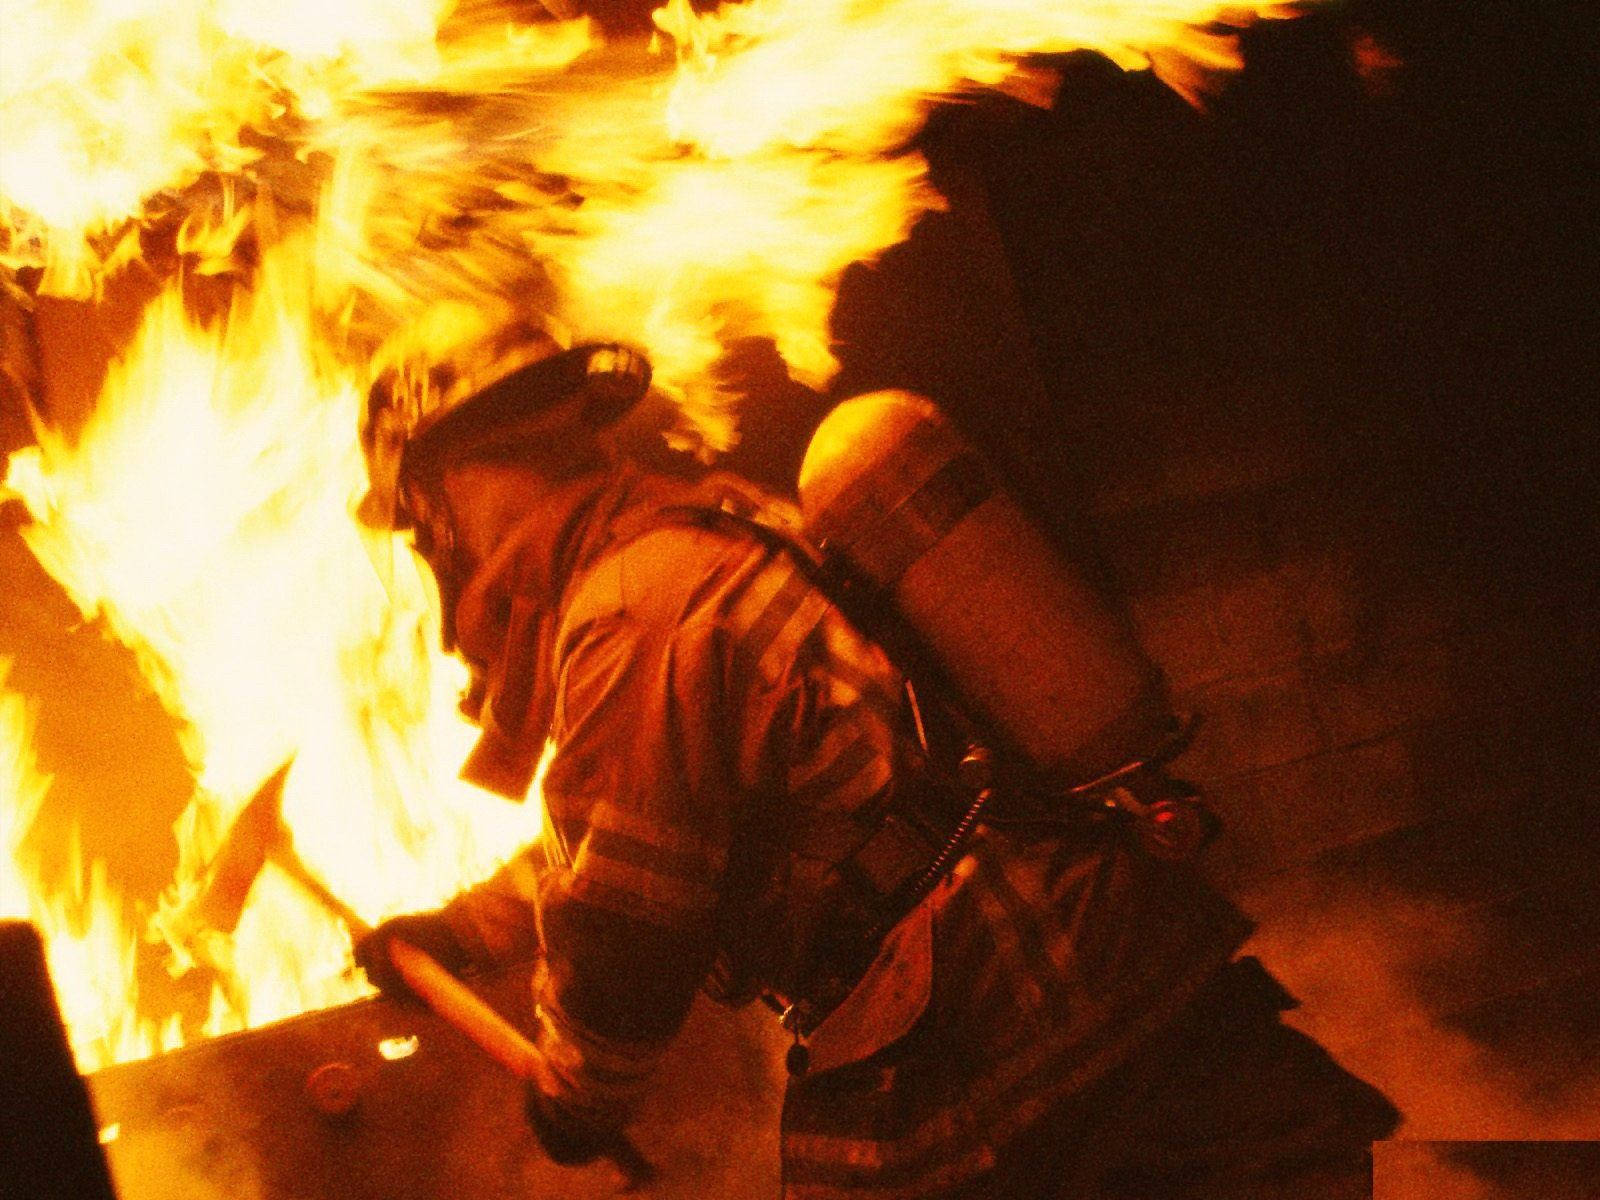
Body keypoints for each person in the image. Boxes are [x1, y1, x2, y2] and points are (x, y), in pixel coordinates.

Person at [354, 334, 1400, 1198]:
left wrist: (575, 1097)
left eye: (419, 522)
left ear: (452, 483)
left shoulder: (629, 617)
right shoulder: (698, 538)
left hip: (1003, 1030)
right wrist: (460, 930)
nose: (430, 552)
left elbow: (627, 928)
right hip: (1102, 968)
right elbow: (620, 836)